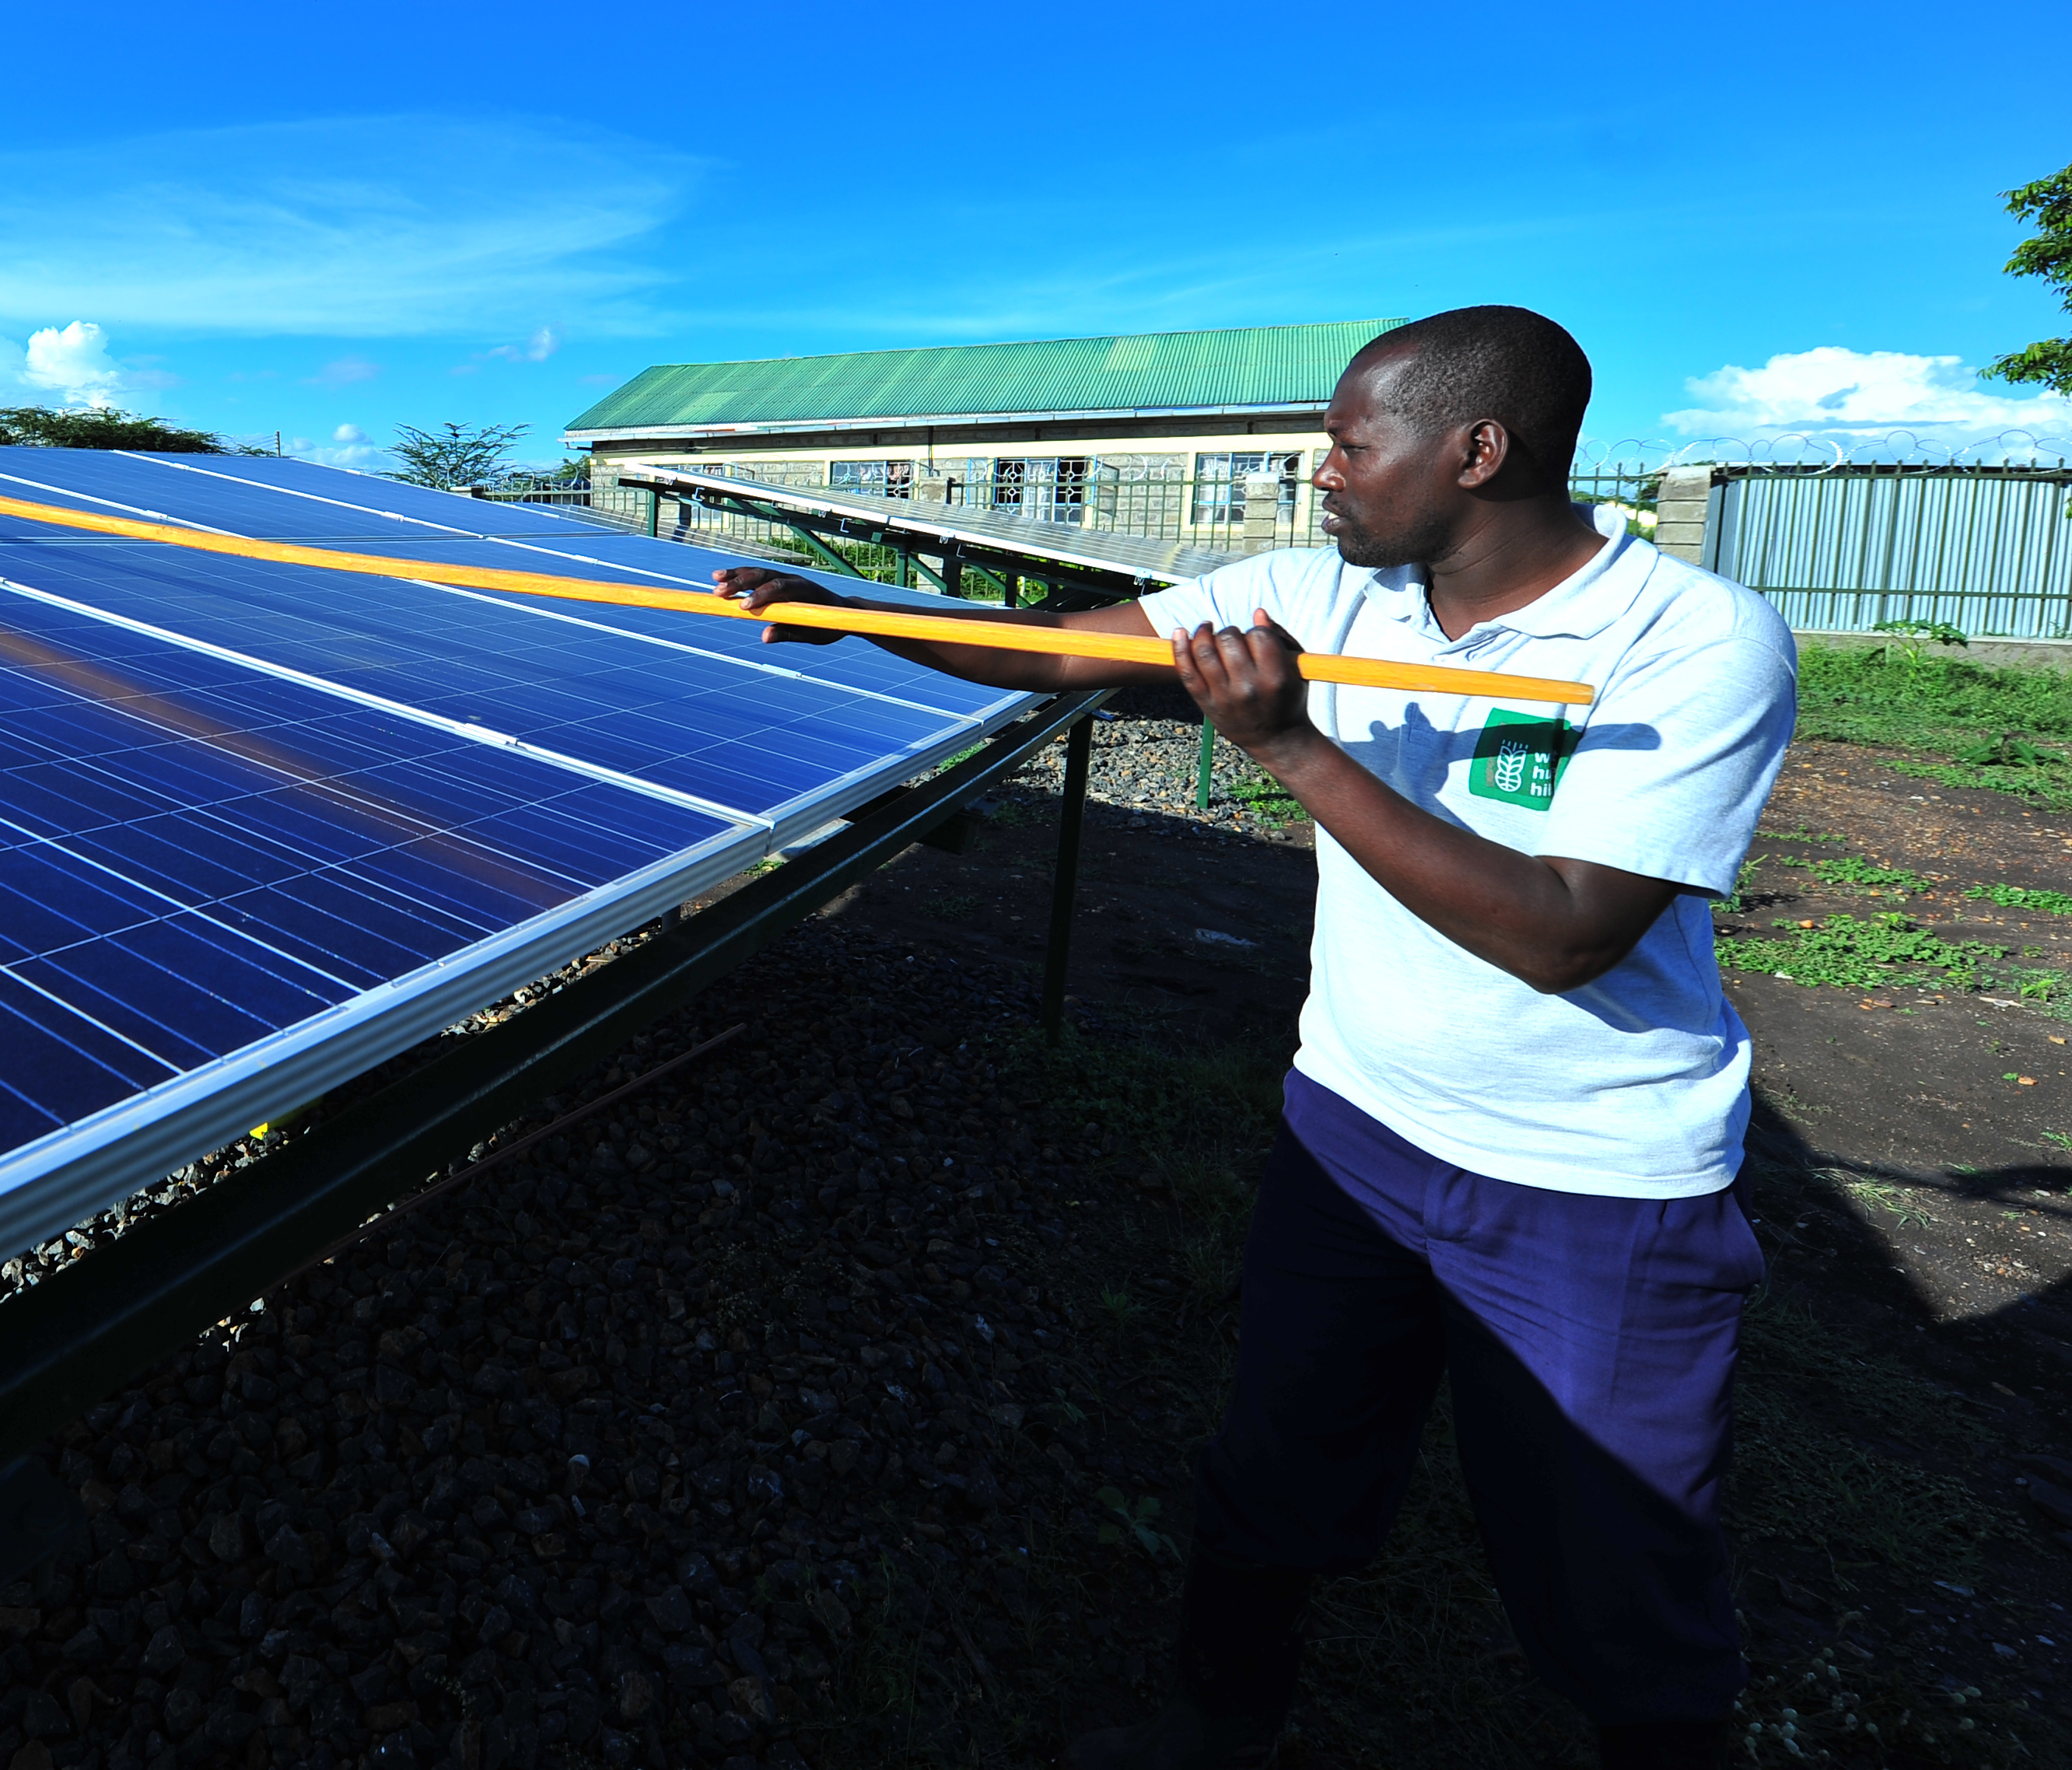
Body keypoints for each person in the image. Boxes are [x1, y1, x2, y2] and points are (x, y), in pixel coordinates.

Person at [710, 308, 1794, 1770]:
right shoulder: (1318, 591)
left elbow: (1565, 931)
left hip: (1591, 1183)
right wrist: (858, 607)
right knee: (1282, 1458)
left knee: (1612, 1545)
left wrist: (1286, 745)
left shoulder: (1693, 638)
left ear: (1479, 452)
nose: (1319, 473)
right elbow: (1053, 655)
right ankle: (1216, 1729)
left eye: (1352, 444)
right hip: (1352, 1127)